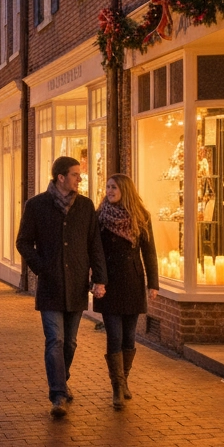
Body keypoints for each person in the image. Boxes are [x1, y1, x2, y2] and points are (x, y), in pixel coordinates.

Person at [16, 156, 106, 418]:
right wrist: (41, 267)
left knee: (71, 343)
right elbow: (23, 242)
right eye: (76, 175)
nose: (80, 179)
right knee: (55, 339)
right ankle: (57, 395)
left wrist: (99, 278)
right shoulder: (37, 206)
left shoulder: (86, 207)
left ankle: (62, 381)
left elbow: (94, 245)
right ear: (61, 178)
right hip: (51, 285)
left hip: (77, 283)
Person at [95, 174, 160, 410]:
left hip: (133, 282)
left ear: (125, 190)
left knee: (130, 337)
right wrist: (96, 280)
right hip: (109, 284)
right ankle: (116, 387)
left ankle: (124, 382)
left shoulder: (141, 216)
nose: (109, 191)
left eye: (114, 187)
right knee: (114, 336)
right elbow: (95, 251)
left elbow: (149, 251)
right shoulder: (100, 217)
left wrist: (153, 283)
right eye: (108, 187)